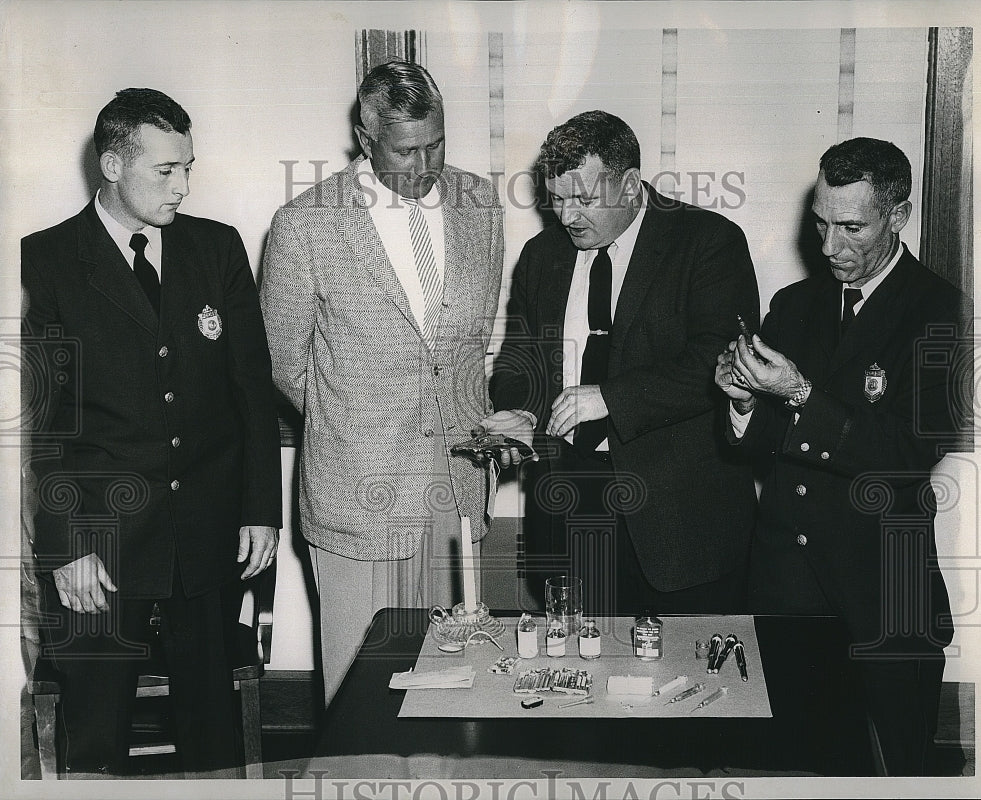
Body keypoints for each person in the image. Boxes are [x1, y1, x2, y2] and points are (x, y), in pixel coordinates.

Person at [21, 88, 281, 776]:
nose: (183, 186)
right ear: (112, 165)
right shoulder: (45, 261)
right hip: (101, 548)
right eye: (166, 171)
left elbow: (251, 392)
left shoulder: (216, 248)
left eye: (188, 167)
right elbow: (44, 426)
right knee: (97, 741)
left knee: (213, 739)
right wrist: (67, 545)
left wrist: (260, 510)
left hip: (206, 536)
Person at [715, 137, 971, 775]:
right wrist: (742, 401)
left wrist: (800, 393)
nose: (830, 247)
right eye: (822, 224)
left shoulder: (941, 312)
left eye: (851, 227)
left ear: (899, 216)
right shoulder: (793, 306)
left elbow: (909, 456)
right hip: (785, 594)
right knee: (792, 770)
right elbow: (753, 447)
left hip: (883, 600)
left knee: (891, 776)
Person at [260, 60, 503, 704]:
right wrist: (359, 420)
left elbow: (471, 345)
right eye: (407, 151)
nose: (427, 167)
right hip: (359, 488)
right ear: (367, 141)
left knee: (457, 683)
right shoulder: (304, 224)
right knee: (363, 689)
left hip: (455, 481)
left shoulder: (480, 205)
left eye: (437, 144)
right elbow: (284, 360)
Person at [484, 110, 759, 616]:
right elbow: (520, 358)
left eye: (583, 199)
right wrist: (519, 413)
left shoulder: (708, 242)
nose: (566, 217)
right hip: (568, 511)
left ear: (631, 185)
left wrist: (610, 398)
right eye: (556, 199)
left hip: (677, 521)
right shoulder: (542, 255)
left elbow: (720, 362)